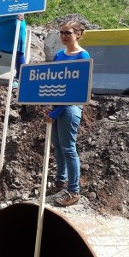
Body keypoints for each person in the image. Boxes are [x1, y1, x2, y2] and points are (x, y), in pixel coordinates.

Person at [46, 19, 91, 207]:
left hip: (70, 108)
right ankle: (60, 181)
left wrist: (58, 111)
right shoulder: (58, 55)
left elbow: (75, 89)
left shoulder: (83, 56)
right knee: (57, 145)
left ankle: (73, 191)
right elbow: (52, 80)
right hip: (56, 107)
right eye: (62, 33)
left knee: (68, 148)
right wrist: (49, 106)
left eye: (68, 33)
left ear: (78, 34)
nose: (64, 36)